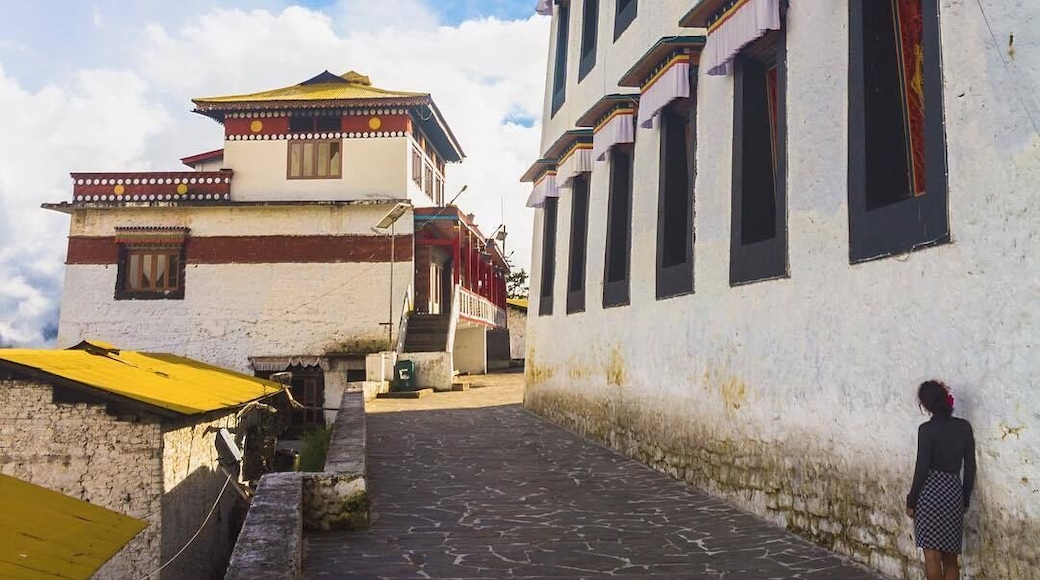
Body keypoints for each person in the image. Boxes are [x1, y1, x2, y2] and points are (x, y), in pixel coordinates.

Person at [906, 380, 976, 580]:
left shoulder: (926, 430)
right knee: (951, 558)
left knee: (932, 556)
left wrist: (912, 500)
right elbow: (970, 466)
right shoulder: (964, 427)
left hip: (929, 495)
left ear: (925, 406)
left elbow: (922, 469)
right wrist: (965, 498)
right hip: (953, 492)